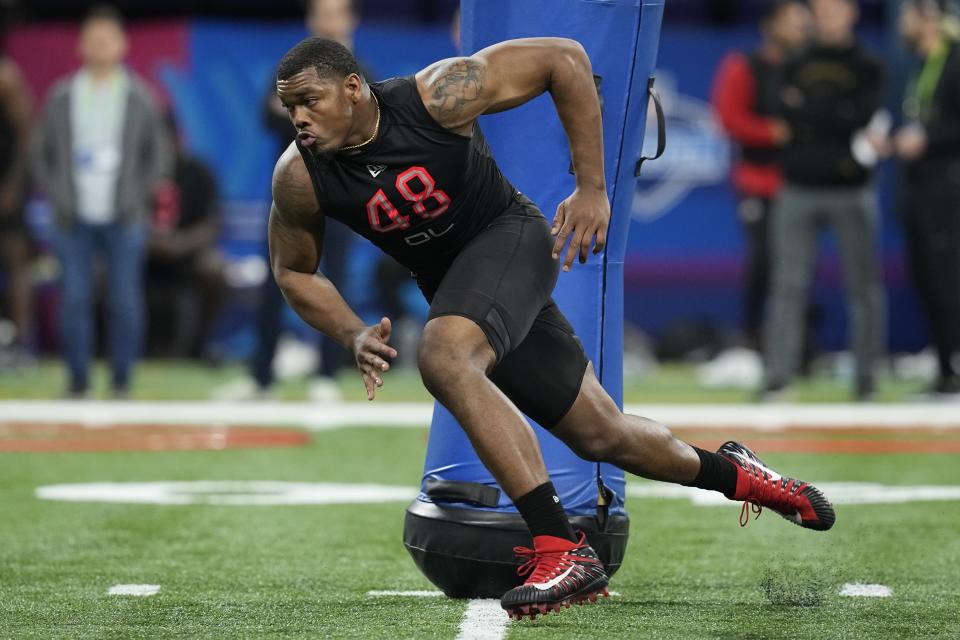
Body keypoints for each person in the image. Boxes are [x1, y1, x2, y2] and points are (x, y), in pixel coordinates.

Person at [268, 36, 836, 618]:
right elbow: (293, 270)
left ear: (353, 88)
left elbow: (563, 59)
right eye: (291, 108)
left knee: (442, 356)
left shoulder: (434, 97)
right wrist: (351, 333)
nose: (300, 118)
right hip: (463, 290)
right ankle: (743, 477)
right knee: (602, 435)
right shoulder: (299, 175)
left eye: (310, 100)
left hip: (509, 242)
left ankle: (560, 547)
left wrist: (592, 187)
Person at [216, 0, 368, 401]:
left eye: (336, 13)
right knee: (277, 280)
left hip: (340, 195)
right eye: (321, 12)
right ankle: (261, 376)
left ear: (349, 20)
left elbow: (367, 127)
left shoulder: (363, 73)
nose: (328, 21)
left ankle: (327, 375)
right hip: (292, 193)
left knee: (335, 280)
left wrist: (303, 112)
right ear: (310, 19)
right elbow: (267, 117)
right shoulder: (290, 69)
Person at [30, 5, 171, 397]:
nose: (99, 47)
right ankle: (77, 380)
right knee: (74, 298)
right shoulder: (62, 94)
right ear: (81, 45)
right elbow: (41, 153)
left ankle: (122, 380)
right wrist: (57, 192)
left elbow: (158, 155)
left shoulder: (139, 95)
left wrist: (137, 194)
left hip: (124, 214)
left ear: (122, 44)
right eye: (92, 39)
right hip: (71, 213)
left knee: (124, 299)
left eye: (106, 39)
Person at [762, 0, 885, 401]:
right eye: (820, 11)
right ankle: (778, 379)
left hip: (852, 188)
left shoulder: (868, 63)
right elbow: (780, 108)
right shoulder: (794, 60)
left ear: (852, 13)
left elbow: (862, 115)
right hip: (798, 185)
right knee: (788, 285)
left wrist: (810, 112)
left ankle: (866, 382)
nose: (826, 18)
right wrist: (835, 111)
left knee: (863, 288)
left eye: (834, 10)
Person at [708, 0, 810, 385]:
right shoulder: (743, 65)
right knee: (764, 263)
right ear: (771, 25)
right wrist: (773, 131)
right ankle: (752, 343)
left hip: (800, 185)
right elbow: (727, 117)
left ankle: (796, 347)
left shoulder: (807, 68)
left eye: (804, 22)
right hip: (758, 182)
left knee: (797, 267)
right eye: (793, 22)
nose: (801, 29)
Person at [895, 0, 960, 396]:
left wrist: (927, 138)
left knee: (948, 276)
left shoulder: (955, 60)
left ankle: (953, 362)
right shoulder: (922, 61)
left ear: (929, 16)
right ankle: (944, 368)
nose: (903, 23)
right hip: (920, 185)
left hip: (948, 184)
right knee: (927, 277)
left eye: (908, 15)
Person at [145, 115, 225, 359]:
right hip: (142, 253)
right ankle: (111, 348)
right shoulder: (138, 174)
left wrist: (180, 244)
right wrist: (148, 240)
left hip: (186, 253)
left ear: (178, 139)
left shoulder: (198, 172)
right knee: (102, 269)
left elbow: (212, 224)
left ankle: (199, 347)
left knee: (213, 270)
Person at [0, 51, 32, 367]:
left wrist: (13, 186)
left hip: (6, 186)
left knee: (15, 263)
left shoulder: (5, 77)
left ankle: (21, 345)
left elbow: (24, 137)